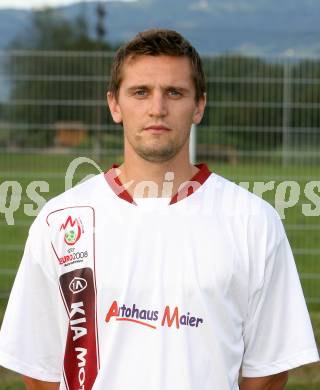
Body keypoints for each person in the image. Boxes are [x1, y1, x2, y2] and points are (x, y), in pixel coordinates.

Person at [0, 29, 318, 390]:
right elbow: (39, 366)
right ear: (114, 105)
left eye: (174, 92)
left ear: (198, 106)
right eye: (140, 92)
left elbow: (270, 369)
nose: (157, 108)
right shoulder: (60, 221)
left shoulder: (254, 221)